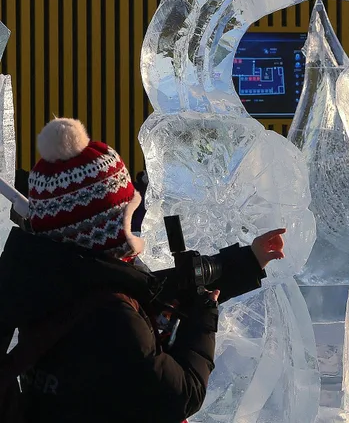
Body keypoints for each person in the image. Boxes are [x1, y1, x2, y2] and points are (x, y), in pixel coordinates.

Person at [0, 118, 287, 422]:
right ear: (105, 228)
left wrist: (247, 262)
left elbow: (159, 288)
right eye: (127, 214)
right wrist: (202, 321)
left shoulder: (48, 280)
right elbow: (179, 396)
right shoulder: (113, 318)